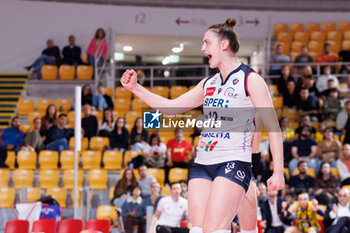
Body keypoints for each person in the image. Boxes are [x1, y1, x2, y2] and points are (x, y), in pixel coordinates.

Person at [121, 17, 284, 233]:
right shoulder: (209, 83)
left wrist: (279, 171)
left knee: (214, 230)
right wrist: (136, 89)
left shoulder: (250, 79)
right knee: (197, 230)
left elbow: (274, 127)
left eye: (207, 42)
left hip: (233, 161)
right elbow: (171, 107)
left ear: (224, 44)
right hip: (203, 163)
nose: (202, 48)